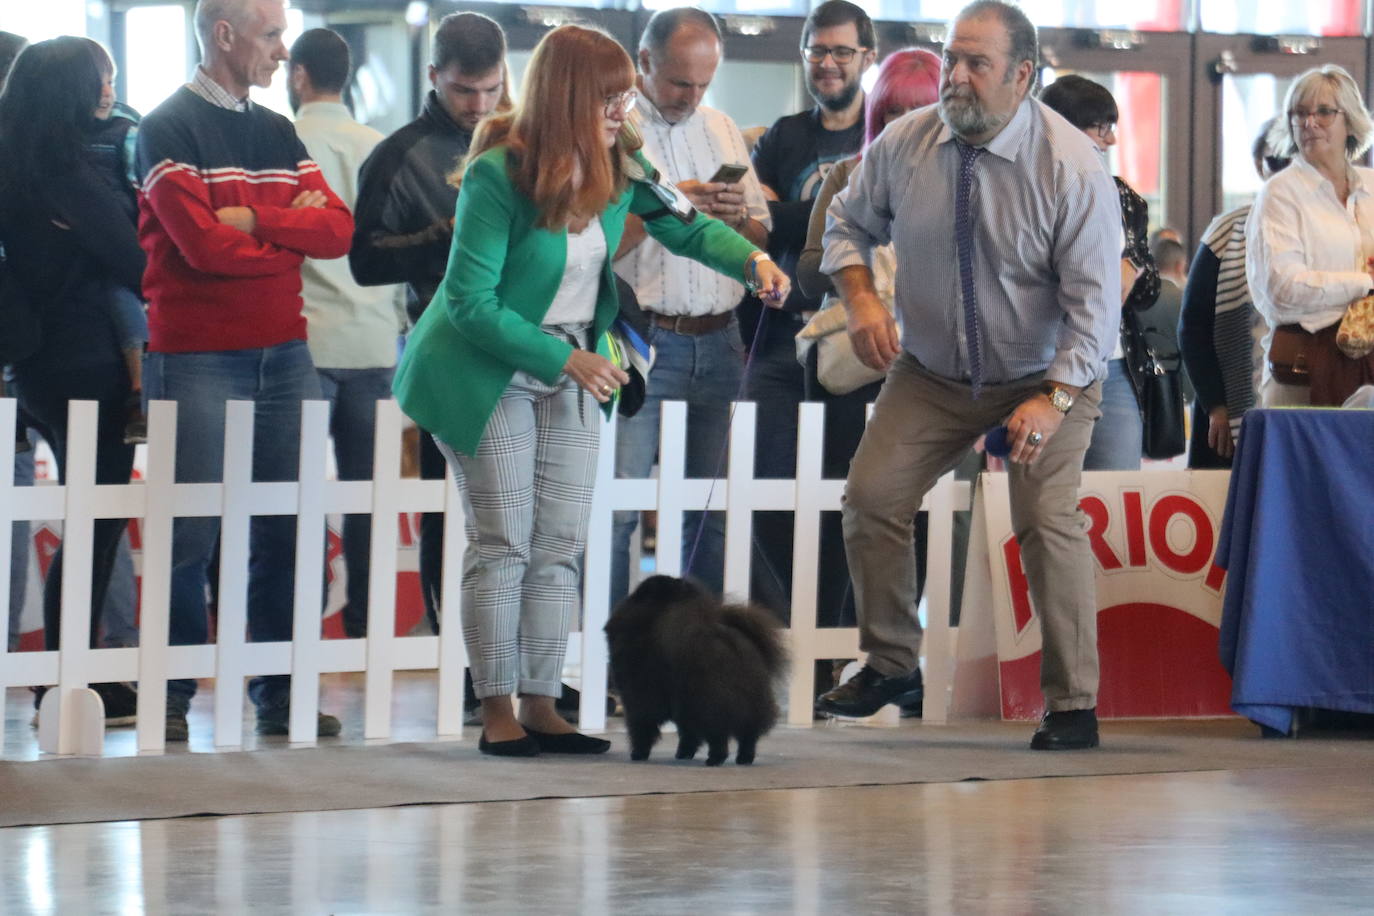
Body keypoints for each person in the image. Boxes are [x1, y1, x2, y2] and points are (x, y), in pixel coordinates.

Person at [391, 23, 789, 758]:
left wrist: (753, 262)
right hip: (485, 366)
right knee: (503, 541)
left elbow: (691, 227)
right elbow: (472, 303)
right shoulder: (496, 176)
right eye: (610, 100)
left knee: (561, 541)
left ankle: (545, 700)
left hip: (574, 356)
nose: (624, 112)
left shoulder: (623, 158)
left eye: (625, 100)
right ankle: (498, 705)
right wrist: (562, 360)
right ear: (569, 97)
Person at [814, 1, 1120, 750]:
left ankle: (1073, 702)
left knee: (1046, 521)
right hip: (933, 370)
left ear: (1023, 76)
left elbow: (1095, 314)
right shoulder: (903, 143)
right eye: (951, 59)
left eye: (975, 64)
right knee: (872, 497)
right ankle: (892, 663)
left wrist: (1052, 399)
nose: (954, 76)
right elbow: (847, 224)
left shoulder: (1073, 167)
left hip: (1047, 371)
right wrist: (858, 298)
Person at [136, 0, 353, 740]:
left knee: (289, 529)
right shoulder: (165, 128)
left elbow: (339, 230)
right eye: (270, 35)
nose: (282, 52)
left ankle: (282, 696)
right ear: (223, 35)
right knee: (186, 535)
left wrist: (260, 222)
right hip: (195, 354)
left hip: (283, 353)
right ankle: (168, 695)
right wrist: (289, 237)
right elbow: (201, 247)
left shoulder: (277, 129)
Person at [350, 12, 508, 637]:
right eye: (464, 90)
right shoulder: (397, 155)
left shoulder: (521, 139)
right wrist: (448, 238)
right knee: (454, 512)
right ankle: (461, 665)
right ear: (435, 75)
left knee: (526, 517)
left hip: (529, 348)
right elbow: (364, 260)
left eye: (491, 89)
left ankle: (529, 668)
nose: (478, 105)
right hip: (449, 352)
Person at [0, 36, 142, 724]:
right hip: (91, 361)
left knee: (86, 522)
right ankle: (71, 677)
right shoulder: (66, 170)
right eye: (101, 81)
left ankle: (68, 674)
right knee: (96, 526)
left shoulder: (12, 162)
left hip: (35, 364)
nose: (109, 93)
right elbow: (133, 258)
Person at [609, 7, 771, 605]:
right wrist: (668, 212)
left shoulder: (723, 128)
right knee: (618, 510)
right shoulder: (613, 131)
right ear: (644, 63)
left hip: (721, 337)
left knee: (711, 513)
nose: (692, 95)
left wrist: (735, 220)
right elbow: (591, 244)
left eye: (704, 82)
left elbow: (760, 233)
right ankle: (603, 670)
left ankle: (698, 665)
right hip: (641, 337)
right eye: (680, 82)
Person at [746, 0, 876, 617]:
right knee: (765, 488)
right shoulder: (784, 136)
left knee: (851, 492)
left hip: (858, 345)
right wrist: (819, 213)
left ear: (866, 58)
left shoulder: (885, 136)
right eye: (816, 51)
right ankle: (793, 627)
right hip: (778, 338)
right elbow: (757, 226)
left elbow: (781, 220)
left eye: (841, 52)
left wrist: (789, 218)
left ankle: (842, 632)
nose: (826, 64)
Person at [289, 28, 404, 639]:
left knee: (299, 496)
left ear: (300, 76)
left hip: (303, 343)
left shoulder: (284, 141)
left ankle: (301, 628)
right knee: (369, 495)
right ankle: (364, 625)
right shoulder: (379, 147)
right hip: (373, 341)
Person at [1039, 74, 1158, 471]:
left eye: (1112, 127)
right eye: (1101, 127)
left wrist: (1134, 267)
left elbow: (1149, 290)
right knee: (1049, 493)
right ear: (1064, 127)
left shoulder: (1123, 196)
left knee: (1116, 491)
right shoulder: (1027, 189)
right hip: (1048, 369)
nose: (1111, 141)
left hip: (1112, 366)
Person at [1247, 64, 1374, 408]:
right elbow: (1281, 290)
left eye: (1323, 112)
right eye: (1299, 114)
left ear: (1350, 120)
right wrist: (1363, 282)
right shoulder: (1280, 193)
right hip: (1303, 373)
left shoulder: (1371, 186)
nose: (1309, 122)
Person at [1179, 120, 1289, 467]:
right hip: (1233, 405)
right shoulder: (1228, 230)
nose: (1284, 172)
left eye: (1293, 162)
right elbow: (1193, 327)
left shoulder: (1337, 229)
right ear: (1260, 165)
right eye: (1276, 161)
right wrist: (1216, 406)